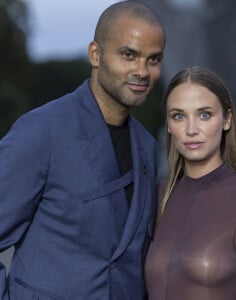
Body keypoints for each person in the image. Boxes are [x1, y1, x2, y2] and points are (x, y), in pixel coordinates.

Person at [0, 1, 165, 299]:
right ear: (96, 54)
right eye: (129, 55)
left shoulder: (147, 148)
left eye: (153, 59)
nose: (142, 71)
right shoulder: (42, 131)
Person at [145, 66, 236, 300]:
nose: (191, 129)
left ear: (227, 119)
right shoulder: (158, 195)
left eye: (204, 114)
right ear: (168, 125)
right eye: (179, 115)